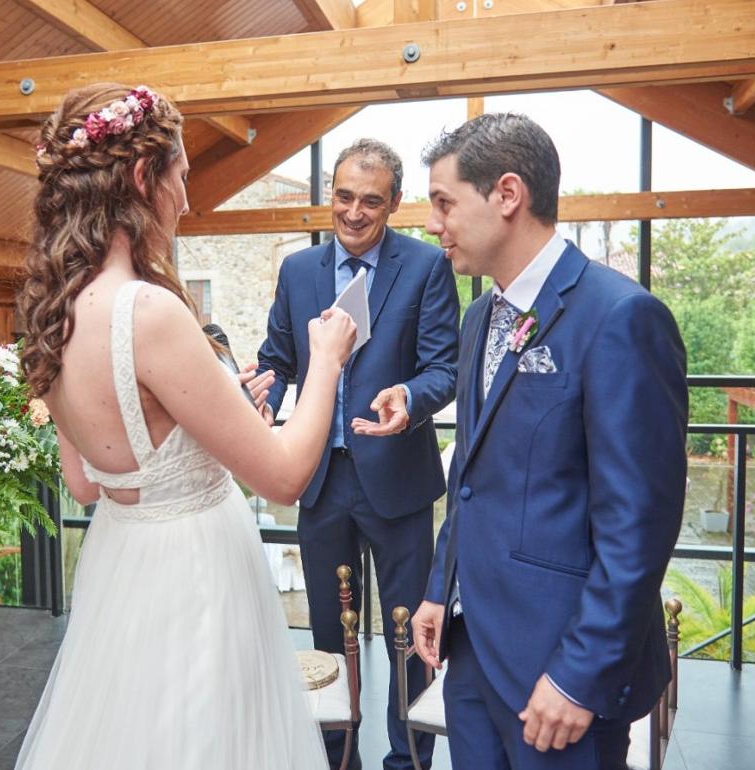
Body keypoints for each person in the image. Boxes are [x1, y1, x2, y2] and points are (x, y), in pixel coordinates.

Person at [14, 82, 356, 770]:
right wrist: (326, 361)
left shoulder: (51, 312)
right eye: (182, 177)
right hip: (196, 573)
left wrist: (215, 414)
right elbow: (285, 477)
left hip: (120, 563)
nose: (187, 200)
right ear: (145, 176)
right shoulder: (148, 311)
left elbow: (85, 483)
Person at [410, 113, 687, 770]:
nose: (432, 224)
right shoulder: (479, 317)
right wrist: (440, 586)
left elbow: (638, 525)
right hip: (472, 647)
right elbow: (471, 473)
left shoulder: (620, 317)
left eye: (444, 202)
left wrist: (578, 676)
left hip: (558, 669)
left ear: (508, 194)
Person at [256, 139, 459, 770]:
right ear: (331, 195)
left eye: (370, 201)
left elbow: (444, 368)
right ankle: (336, 757)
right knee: (327, 635)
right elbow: (277, 359)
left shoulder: (425, 267)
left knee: (410, 636)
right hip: (320, 481)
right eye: (343, 196)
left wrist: (409, 396)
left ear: (394, 202)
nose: (353, 212)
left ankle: (408, 761)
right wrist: (264, 397)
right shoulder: (298, 271)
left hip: (398, 480)